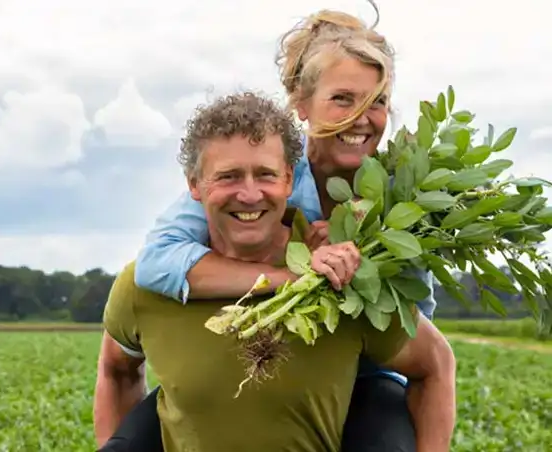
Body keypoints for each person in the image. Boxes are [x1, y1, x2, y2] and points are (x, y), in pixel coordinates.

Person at [120, 7, 454, 452]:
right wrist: (297, 271)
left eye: (377, 101)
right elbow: (158, 261)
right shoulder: (265, 176)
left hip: (368, 376)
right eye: (343, 99)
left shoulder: (406, 192)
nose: (363, 118)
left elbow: (416, 331)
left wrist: (358, 259)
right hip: (277, 361)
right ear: (301, 103)